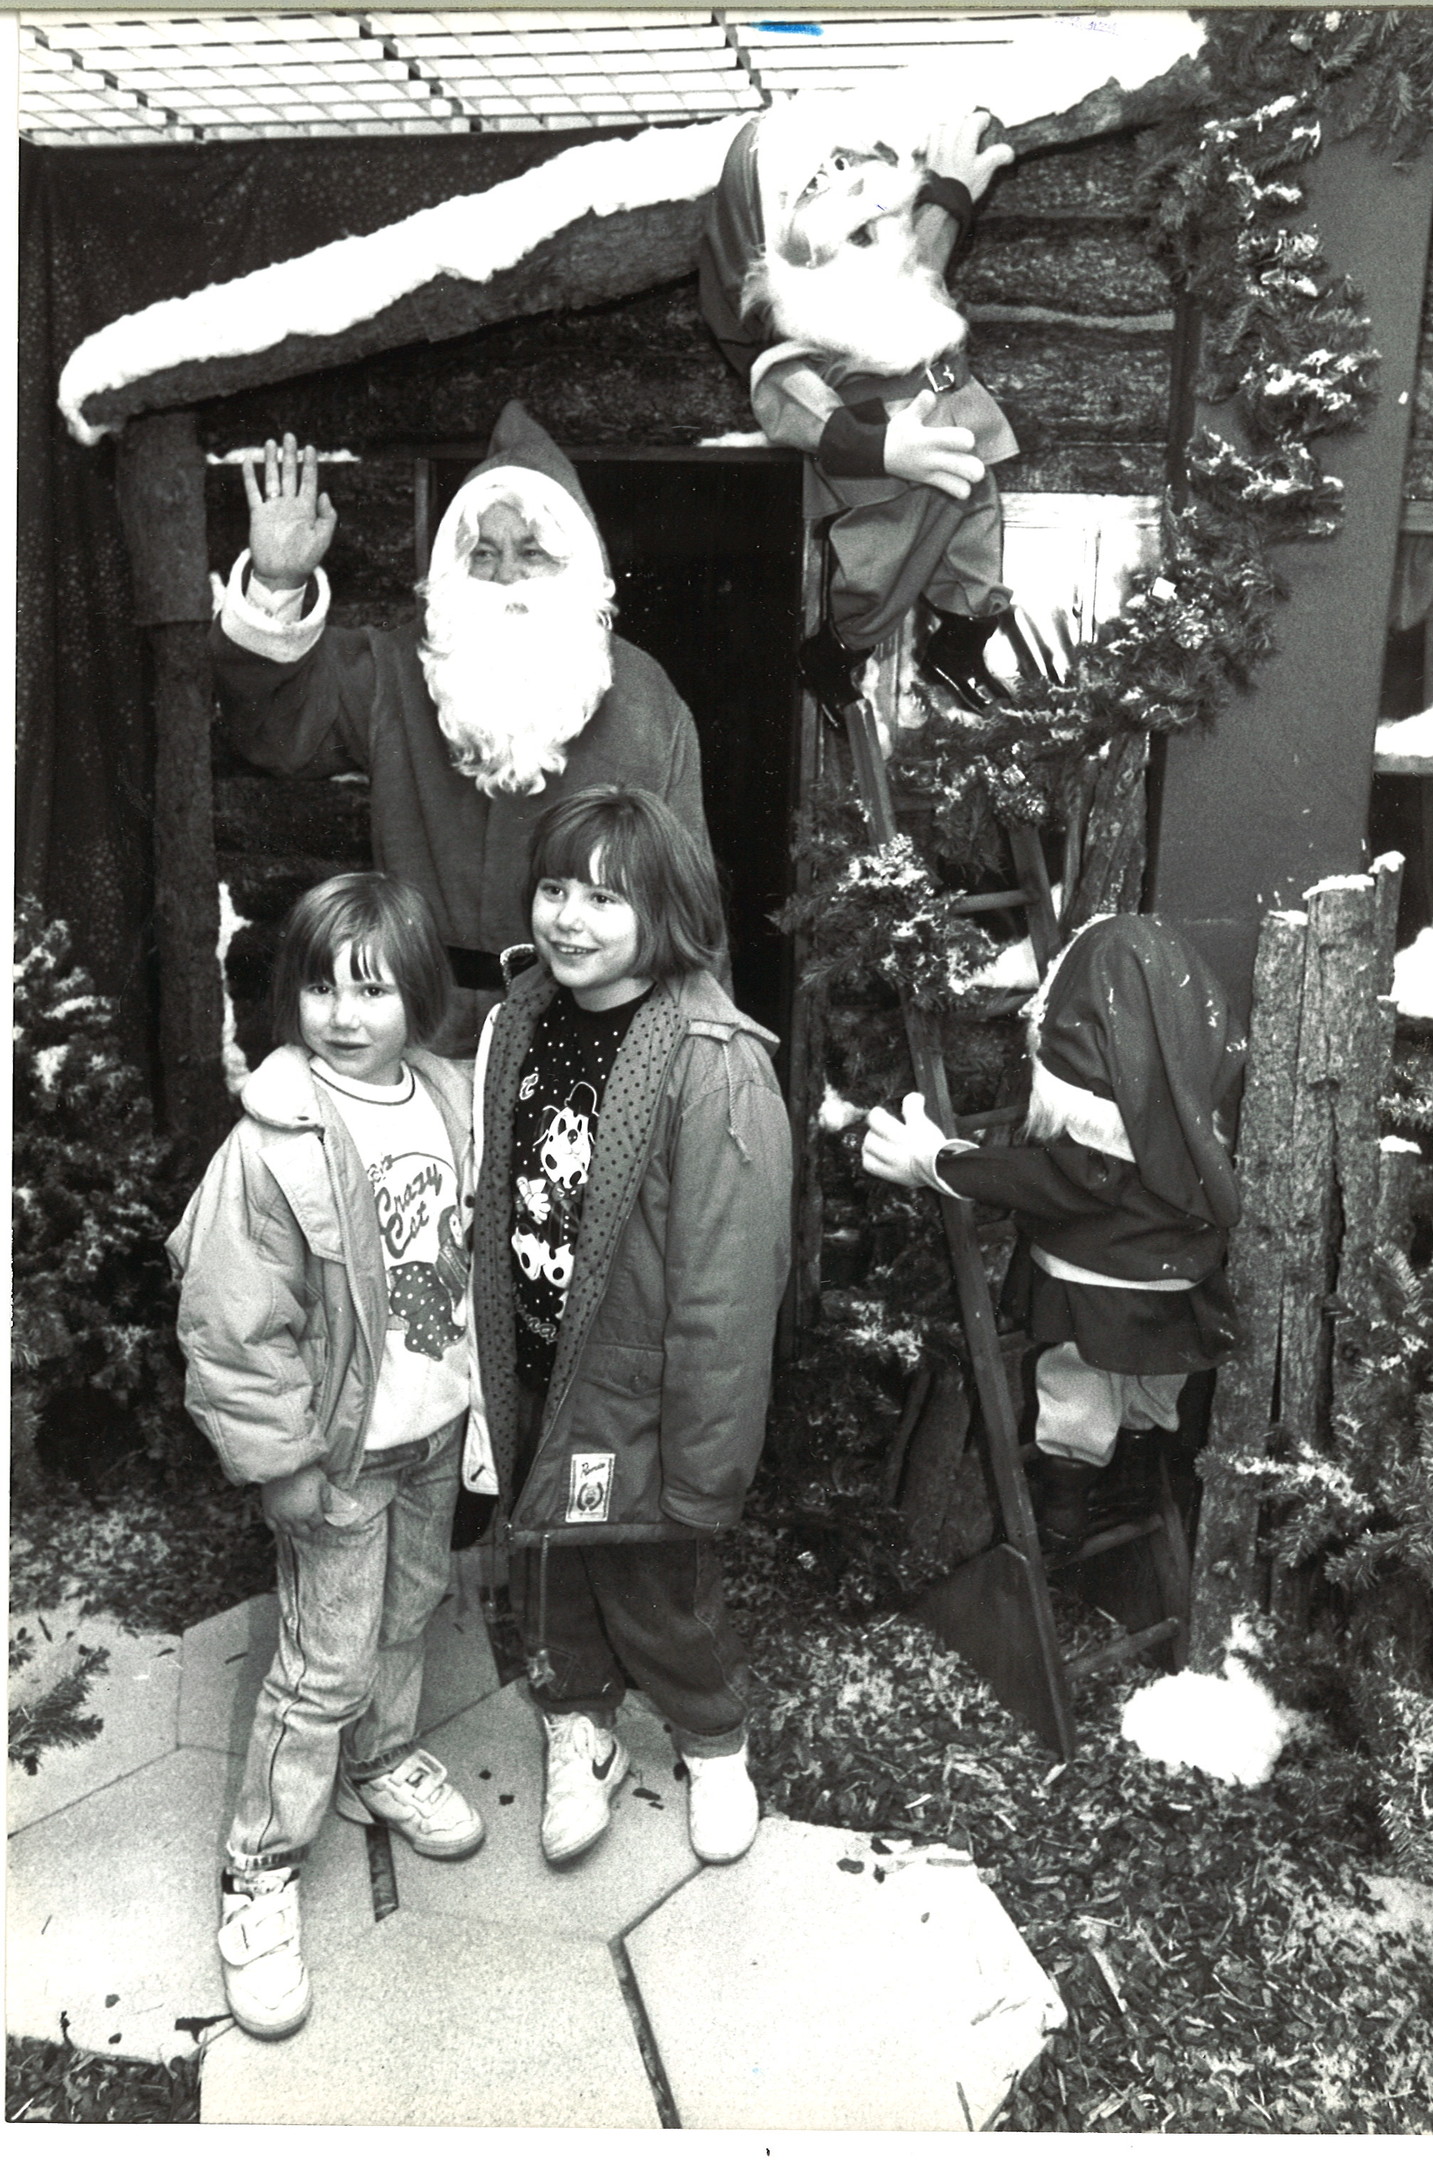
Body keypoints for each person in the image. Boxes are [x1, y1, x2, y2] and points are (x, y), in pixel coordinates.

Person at [168, 872, 484, 2041]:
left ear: (420, 998)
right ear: (288, 994)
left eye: (375, 989)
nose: (346, 1015)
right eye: (321, 986)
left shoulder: (450, 1103)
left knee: (410, 1609)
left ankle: (384, 1763)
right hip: (342, 1452)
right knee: (322, 1660)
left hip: (434, 1427)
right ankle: (259, 1870)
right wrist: (283, 1462)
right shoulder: (271, 1146)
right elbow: (234, 1325)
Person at [470, 786, 791, 1870]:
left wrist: (705, 1466)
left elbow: (729, 1293)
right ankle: (579, 1729)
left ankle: (711, 1740)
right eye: (556, 887)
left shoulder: (714, 1062)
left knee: (655, 1585)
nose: (568, 917)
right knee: (549, 1569)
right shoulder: (521, 1018)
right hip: (536, 1363)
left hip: (639, 1386)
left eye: (606, 898)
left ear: (670, 912)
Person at [211, 403, 712, 1053]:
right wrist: (280, 581)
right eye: (484, 554)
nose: (506, 579)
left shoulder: (645, 697)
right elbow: (275, 733)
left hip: (592, 1045)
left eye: (531, 554)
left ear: (576, 569)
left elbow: (686, 909)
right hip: (421, 1039)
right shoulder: (399, 669)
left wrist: (694, 1061)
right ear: (454, 567)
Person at [861, 913, 1244, 1555]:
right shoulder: (1183, 1130)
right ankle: (1134, 1479)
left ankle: (1064, 1518)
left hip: (1097, 1284)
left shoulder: (1103, 1147)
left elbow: (1050, 1181)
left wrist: (939, 1162)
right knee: (1152, 1383)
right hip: (1178, 1277)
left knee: (1078, 1386)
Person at [699, 92, 1019, 725]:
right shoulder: (802, 331)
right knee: (879, 577)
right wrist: (882, 449)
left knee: (978, 539)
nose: (849, 189)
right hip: (885, 472)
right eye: (819, 184)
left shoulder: (891, 270)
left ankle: (960, 644)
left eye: (848, 166)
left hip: (957, 430)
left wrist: (951, 188)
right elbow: (798, 410)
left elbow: (923, 245)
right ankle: (838, 650)